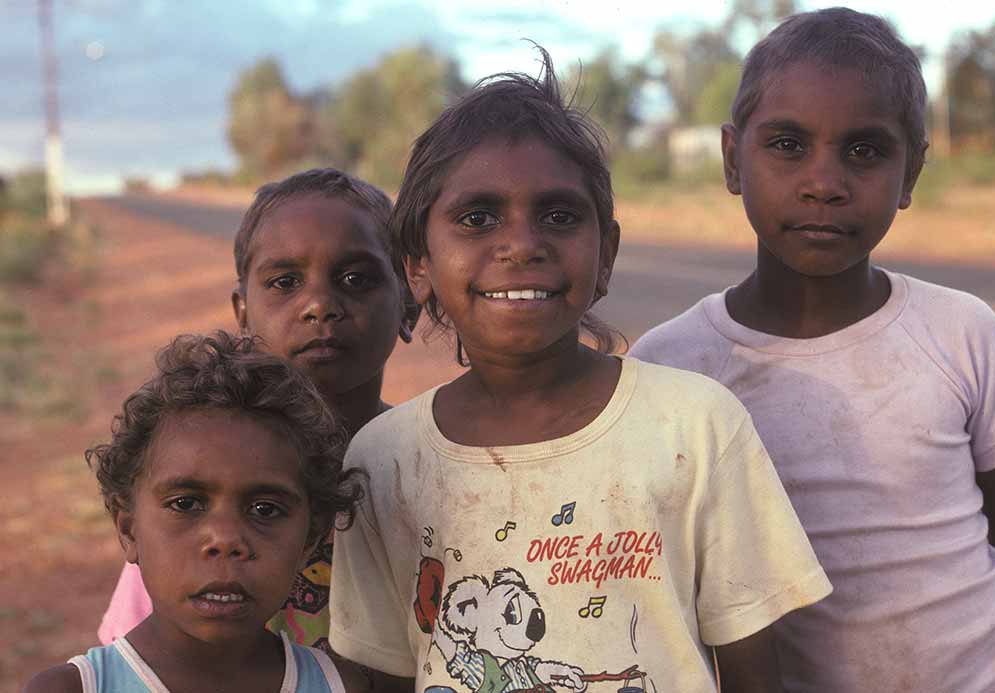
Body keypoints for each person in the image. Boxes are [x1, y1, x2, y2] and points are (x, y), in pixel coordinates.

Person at [327, 48, 832, 693]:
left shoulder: (694, 425)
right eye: (477, 218)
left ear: (606, 254)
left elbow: (753, 665)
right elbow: (389, 672)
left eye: (558, 216)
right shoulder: (384, 460)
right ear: (418, 264)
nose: (521, 244)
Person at [629, 8, 995, 692]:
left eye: (865, 150)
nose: (825, 181)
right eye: (788, 145)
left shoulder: (960, 329)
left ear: (911, 173)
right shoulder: (671, 365)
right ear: (734, 159)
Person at [97, 168, 417, 651]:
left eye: (356, 278)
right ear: (242, 310)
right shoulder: (200, 468)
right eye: (285, 281)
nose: (319, 304)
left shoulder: (432, 465)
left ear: (408, 301)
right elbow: (134, 664)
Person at [23, 332, 371, 692]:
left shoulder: (338, 687)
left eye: (264, 509)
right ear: (128, 528)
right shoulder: (72, 689)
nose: (225, 539)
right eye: (185, 504)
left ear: (309, 538)